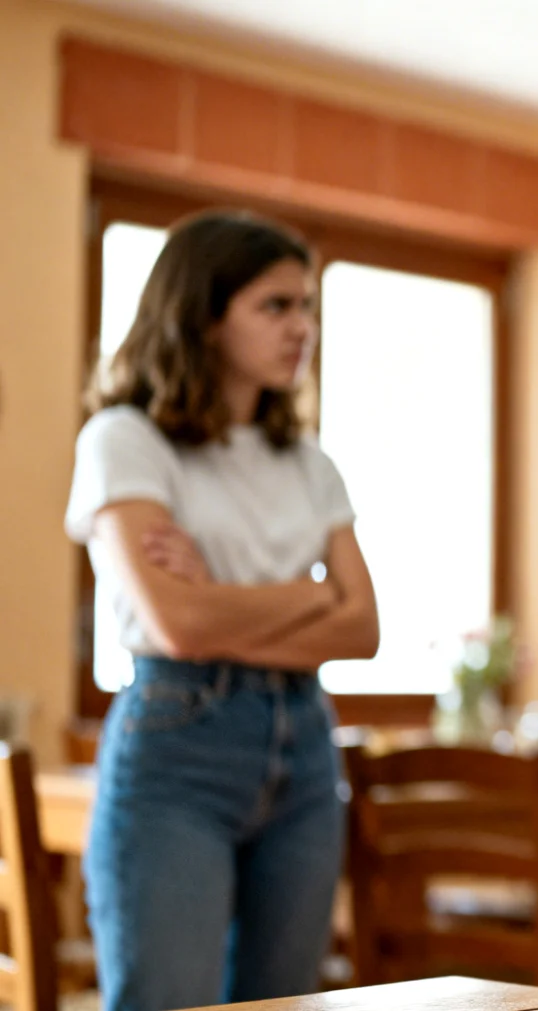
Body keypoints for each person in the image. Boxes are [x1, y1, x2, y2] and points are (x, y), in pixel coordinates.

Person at [65, 210, 380, 1011]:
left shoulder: (309, 461)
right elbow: (181, 626)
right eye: (275, 306)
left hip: (306, 747)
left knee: (284, 1005)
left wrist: (221, 598)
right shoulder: (127, 439)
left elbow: (364, 626)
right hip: (178, 742)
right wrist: (308, 595)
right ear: (203, 315)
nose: (301, 327)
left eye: (306, 306)